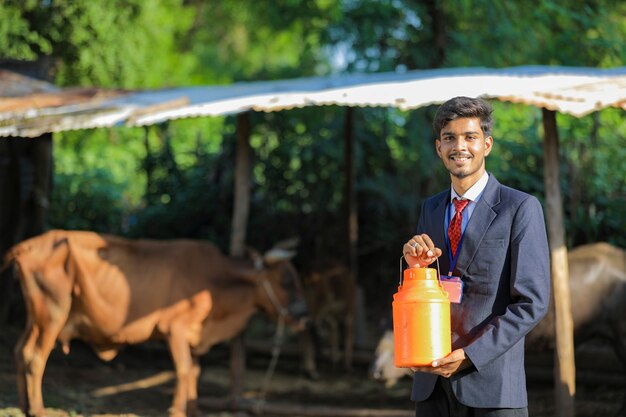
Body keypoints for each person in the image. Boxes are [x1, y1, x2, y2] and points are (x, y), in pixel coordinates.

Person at [402, 96, 550, 417]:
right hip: (432, 385)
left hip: (492, 386)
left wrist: (471, 354)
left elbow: (531, 303)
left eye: (470, 137)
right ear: (438, 148)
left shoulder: (520, 208)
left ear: (487, 144)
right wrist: (415, 269)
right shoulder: (430, 208)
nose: (460, 146)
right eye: (449, 138)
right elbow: (421, 294)